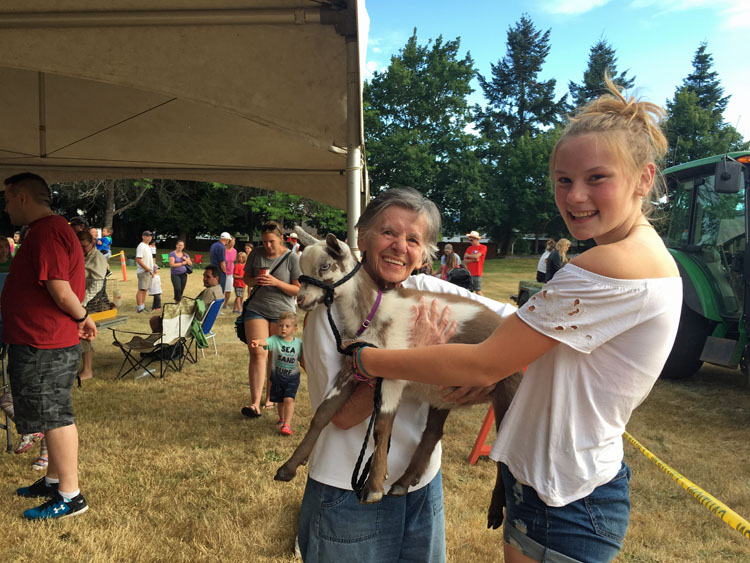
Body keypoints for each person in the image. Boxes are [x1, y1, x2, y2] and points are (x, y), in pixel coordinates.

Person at [352, 81, 682, 562]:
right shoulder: (638, 256)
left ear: (643, 178)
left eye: (596, 178)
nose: (576, 196)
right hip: (565, 481)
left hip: (562, 499)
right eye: (564, 180)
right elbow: (538, 346)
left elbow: (486, 362)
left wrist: (369, 359)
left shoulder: (607, 266)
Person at [298, 187, 515, 562]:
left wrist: (487, 372)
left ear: (424, 252)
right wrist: (416, 354)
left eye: (413, 239)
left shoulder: (424, 289)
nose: (400, 246)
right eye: (388, 233)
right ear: (362, 237)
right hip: (348, 497)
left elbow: (519, 325)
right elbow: (344, 417)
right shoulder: (329, 315)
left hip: (422, 486)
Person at [2, 172, 98, 520]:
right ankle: (54, 479)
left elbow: (60, 290)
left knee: (55, 416)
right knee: (51, 412)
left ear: (23, 198)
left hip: (43, 341)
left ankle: (71, 496)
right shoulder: (47, 231)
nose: (6, 205)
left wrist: (83, 316)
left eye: (8, 198)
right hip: (39, 338)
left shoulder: (46, 232)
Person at [240, 221, 301, 418]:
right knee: (258, 352)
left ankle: (270, 398)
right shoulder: (256, 254)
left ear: (281, 238)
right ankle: (255, 403)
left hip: (282, 313)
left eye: (271, 241)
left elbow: (298, 289)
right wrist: (254, 280)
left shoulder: (292, 258)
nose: (267, 246)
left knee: (276, 357)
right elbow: (245, 278)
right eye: (264, 241)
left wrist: (276, 282)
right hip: (257, 308)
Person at [249, 311, 303, 436]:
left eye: (287, 326)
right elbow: (266, 341)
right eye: (281, 325)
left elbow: (303, 359)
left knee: (289, 399)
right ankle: (282, 418)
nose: (283, 328)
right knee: (280, 401)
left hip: (292, 379)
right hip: (277, 378)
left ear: (295, 329)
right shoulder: (275, 340)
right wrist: (258, 342)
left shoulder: (299, 344)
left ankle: (287, 425)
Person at [149, 265, 223, 333]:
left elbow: (198, 314)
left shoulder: (209, 292)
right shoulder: (219, 291)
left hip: (192, 326)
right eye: (204, 276)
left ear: (216, 278)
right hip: (206, 326)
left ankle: (165, 345)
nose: (204, 279)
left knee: (154, 320)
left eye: (208, 277)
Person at [77, 230, 108, 382]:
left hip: (90, 301)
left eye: (84, 246)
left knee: (84, 333)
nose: (82, 249)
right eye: (79, 246)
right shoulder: (81, 255)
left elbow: (96, 285)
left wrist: (81, 303)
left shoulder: (98, 258)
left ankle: (87, 370)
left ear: (93, 243)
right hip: (77, 300)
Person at [135, 230, 154, 313]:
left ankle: (142, 306)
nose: (149, 237)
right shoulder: (141, 246)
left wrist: (151, 270)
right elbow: (138, 259)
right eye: (147, 236)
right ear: (143, 236)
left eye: (150, 236)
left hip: (148, 271)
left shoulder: (148, 246)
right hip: (143, 271)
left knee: (145, 289)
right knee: (141, 289)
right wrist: (146, 268)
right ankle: (140, 307)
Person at [463, 230, 487, 295]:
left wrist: (469, 256)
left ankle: (483, 303)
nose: (470, 242)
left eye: (471, 240)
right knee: (469, 291)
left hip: (477, 273)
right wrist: (473, 260)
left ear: (476, 239)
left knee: (478, 291)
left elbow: (477, 256)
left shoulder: (483, 247)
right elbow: (465, 261)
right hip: (469, 273)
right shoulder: (469, 248)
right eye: (469, 240)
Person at [224, 236, 237, 310]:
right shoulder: (223, 250)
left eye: (234, 242)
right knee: (222, 289)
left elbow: (234, 261)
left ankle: (225, 304)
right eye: (232, 242)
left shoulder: (234, 251)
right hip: (223, 271)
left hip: (231, 272)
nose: (233, 243)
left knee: (228, 289)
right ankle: (220, 303)